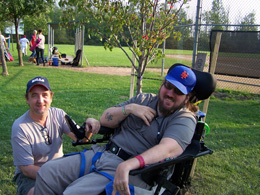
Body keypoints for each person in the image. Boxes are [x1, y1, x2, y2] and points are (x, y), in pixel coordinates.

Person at [34, 64, 199, 195]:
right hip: (103, 154)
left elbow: (167, 149)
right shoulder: (144, 99)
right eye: (168, 85)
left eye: (178, 91)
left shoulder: (184, 119)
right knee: (47, 173)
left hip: (134, 171)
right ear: (163, 83)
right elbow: (105, 118)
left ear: (188, 97)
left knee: (72, 193)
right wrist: (130, 109)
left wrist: (128, 165)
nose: (169, 93)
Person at [11, 76, 100, 195]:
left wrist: (89, 124)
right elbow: (27, 170)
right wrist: (57, 177)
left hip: (58, 168)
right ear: (27, 99)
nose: (40, 100)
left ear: (51, 97)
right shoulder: (20, 127)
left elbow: (82, 139)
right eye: (34, 95)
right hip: (31, 177)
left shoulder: (58, 114)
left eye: (44, 95)